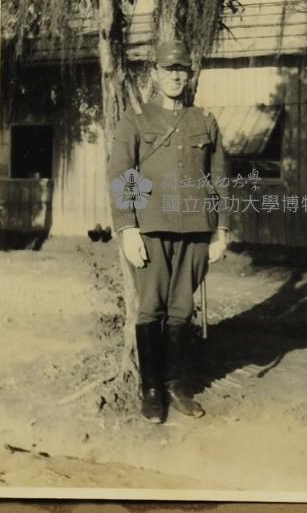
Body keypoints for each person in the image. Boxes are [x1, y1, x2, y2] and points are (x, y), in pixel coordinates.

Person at [107, 40, 229, 424]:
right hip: (150, 229)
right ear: (155, 74)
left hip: (195, 229)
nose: (175, 76)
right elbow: (123, 174)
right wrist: (127, 227)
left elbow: (220, 178)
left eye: (182, 70)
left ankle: (177, 386)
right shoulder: (136, 119)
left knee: (181, 308)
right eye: (168, 69)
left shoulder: (205, 120)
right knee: (150, 308)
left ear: (188, 75)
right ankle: (151, 389)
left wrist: (222, 229)